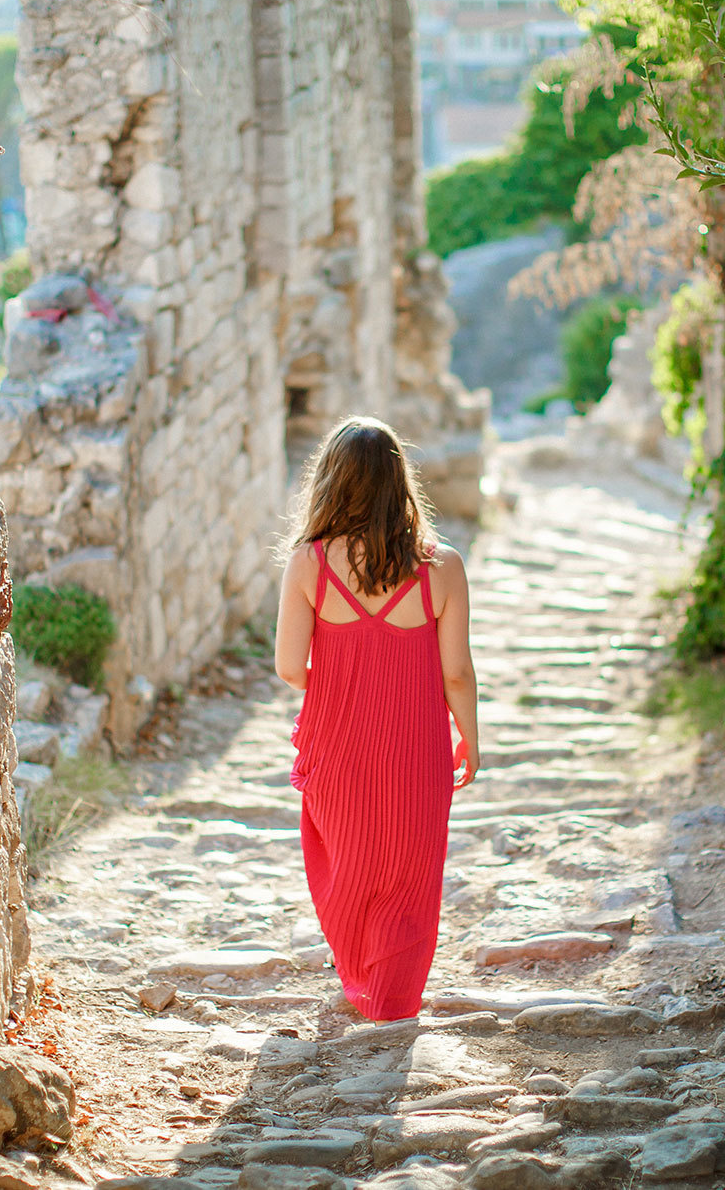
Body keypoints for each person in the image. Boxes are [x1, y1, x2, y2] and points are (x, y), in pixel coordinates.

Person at [274, 416, 481, 1023]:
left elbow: (290, 667)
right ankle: (394, 994)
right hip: (417, 743)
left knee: (348, 860)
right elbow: (458, 673)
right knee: (410, 869)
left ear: (331, 481)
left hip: (336, 738)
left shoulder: (309, 563)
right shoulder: (442, 567)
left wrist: (348, 690)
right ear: (400, 481)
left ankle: (360, 975)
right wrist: (470, 736)